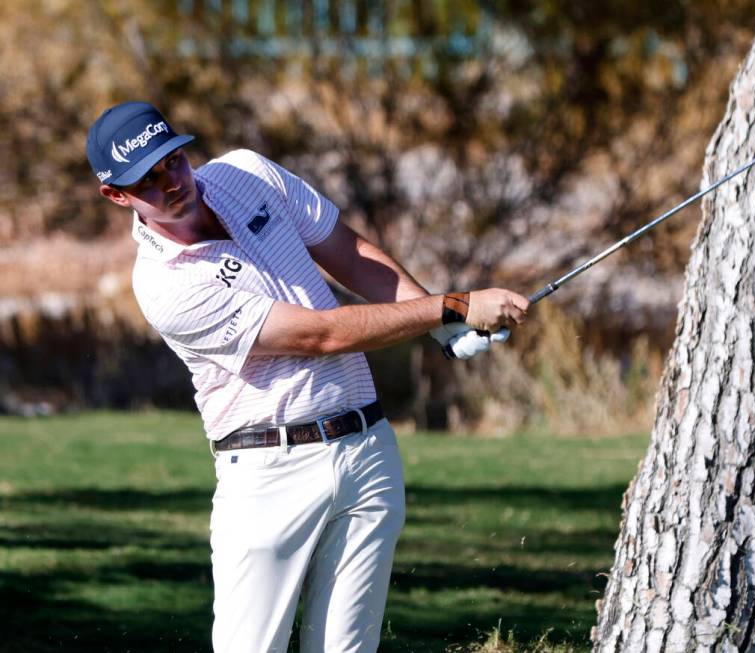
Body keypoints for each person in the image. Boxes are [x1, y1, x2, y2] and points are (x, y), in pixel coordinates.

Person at [85, 101, 528, 653]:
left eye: (173, 161)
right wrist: (453, 307)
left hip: (367, 451)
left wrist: (440, 324)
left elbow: (347, 251)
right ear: (117, 195)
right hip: (269, 473)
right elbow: (322, 336)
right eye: (147, 180)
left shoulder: (245, 172)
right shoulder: (165, 286)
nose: (171, 182)